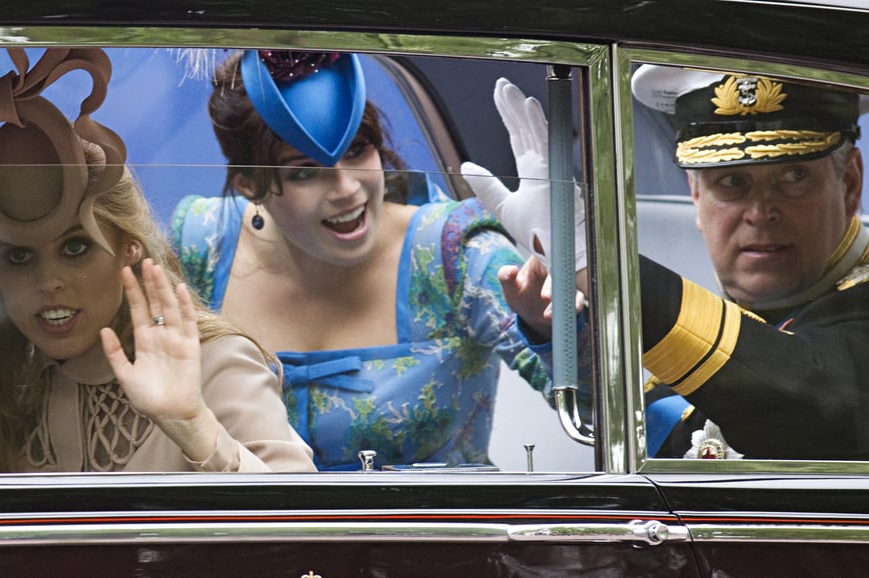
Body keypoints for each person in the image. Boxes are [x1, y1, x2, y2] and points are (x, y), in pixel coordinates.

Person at [0, 47, 316, 473]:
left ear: (130, 247)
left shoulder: (215, 363)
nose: (48, 281)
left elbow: (310, 532)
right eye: (18, 256)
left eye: (75, 248)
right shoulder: (13, 392)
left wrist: (194, 427)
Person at [171, 50, 552, 470]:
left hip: (435, 533)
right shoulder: (201, 245)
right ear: (249, 185)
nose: (346, 188)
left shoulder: (453, 251)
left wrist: (554, 324)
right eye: (304, 171)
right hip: (245, 532)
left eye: (356, 150)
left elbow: (598, 409)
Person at [463, 67, 869, 460]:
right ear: (695, 195)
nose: (761, 213)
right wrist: (568, 332)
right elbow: (658, 426)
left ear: (849, 183)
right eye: (730, 181)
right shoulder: (718, 323)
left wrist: (590, 259)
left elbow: (817, 403)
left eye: (794, 177)